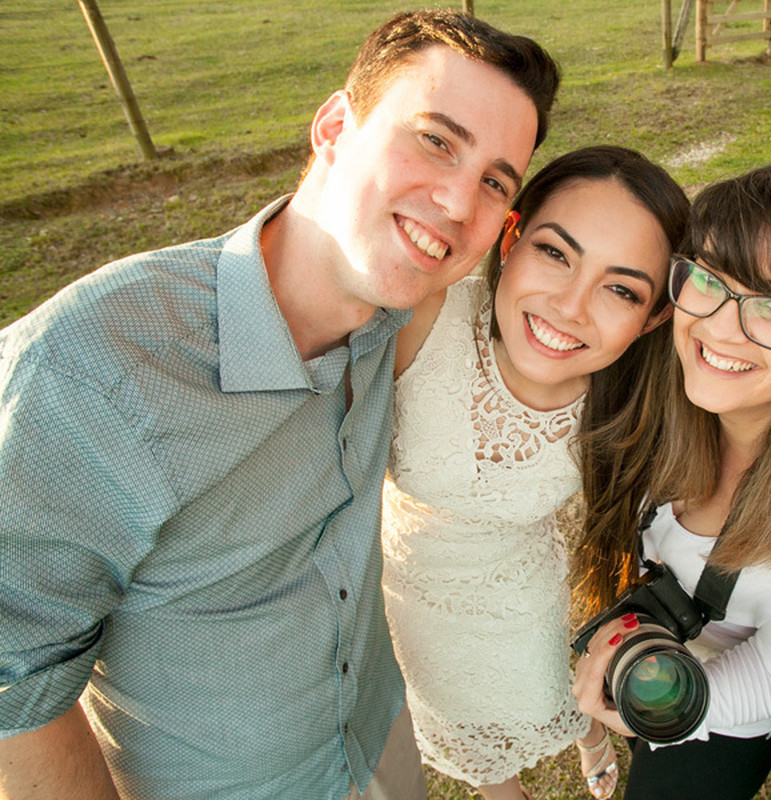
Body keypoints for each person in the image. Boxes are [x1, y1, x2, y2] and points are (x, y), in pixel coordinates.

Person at [0, 10, 559, 799]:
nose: (458, 201)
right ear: (334, 125)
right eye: (436, 139)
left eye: (496, 180)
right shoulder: (94, 368)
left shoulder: (397, 313)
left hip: (376, 741)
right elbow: (13, 690)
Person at [572, 162, 771, 800]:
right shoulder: (649, 397)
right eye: (709, 280)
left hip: (723, 712)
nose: (718, 327)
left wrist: (664, 707)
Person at [380, 145, 689, 800]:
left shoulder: (630, 414)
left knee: (561, 688)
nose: (569, 306)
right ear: (512, 237)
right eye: (555, 252)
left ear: (654, 316)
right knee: (480, 750)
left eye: (621, 288)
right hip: (416, 601)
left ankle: (590, 738)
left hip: (529, 599)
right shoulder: (424, 323)